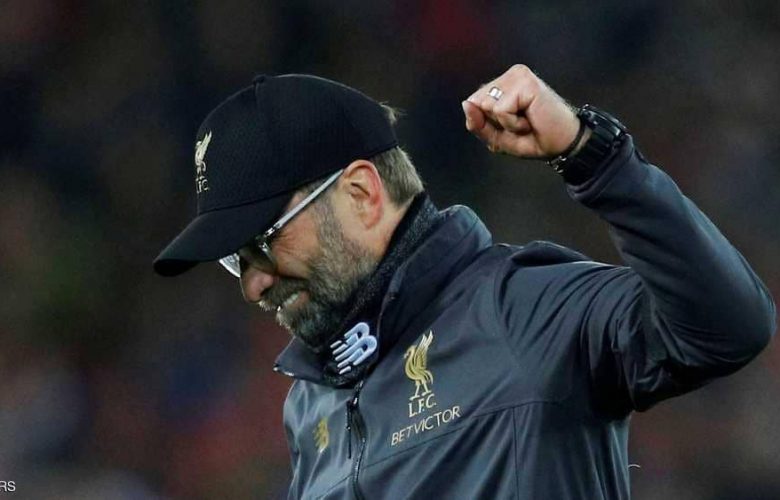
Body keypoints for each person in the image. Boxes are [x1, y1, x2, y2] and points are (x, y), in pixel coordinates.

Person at [154, 65, 776, 499]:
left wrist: (594, 157)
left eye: (262, 243)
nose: (252, 285)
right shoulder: (308, 406)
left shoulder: (522, 310)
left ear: (362, 193)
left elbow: (725, 328)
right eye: (235, 260)